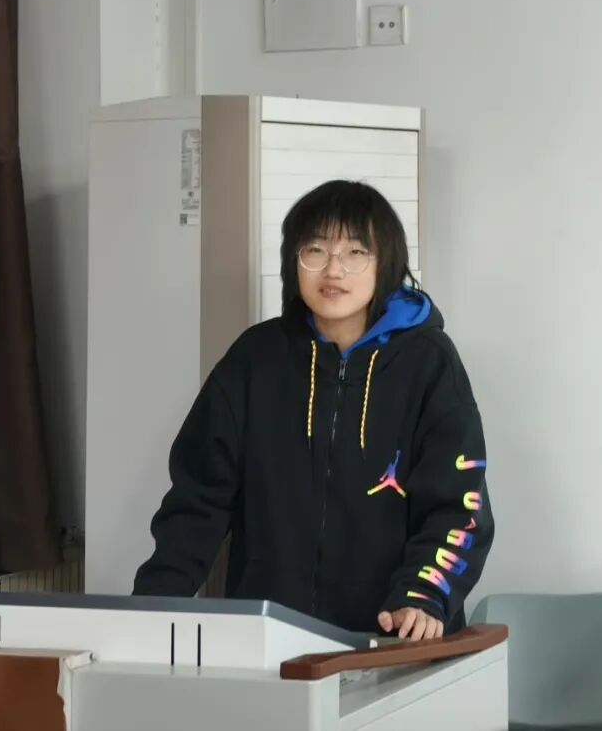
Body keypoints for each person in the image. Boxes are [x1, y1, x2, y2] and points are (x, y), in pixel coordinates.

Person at [133, 180, 493, 640]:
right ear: (294, 260)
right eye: (316, 250)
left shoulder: (430, 363)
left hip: (393, 638)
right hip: (269, 639)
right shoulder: (255, 359)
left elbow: (460, 505)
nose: (333, 269)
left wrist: (423, 595)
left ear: (385, 263)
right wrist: (153, 605)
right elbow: (198, 498)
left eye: (356, 252)